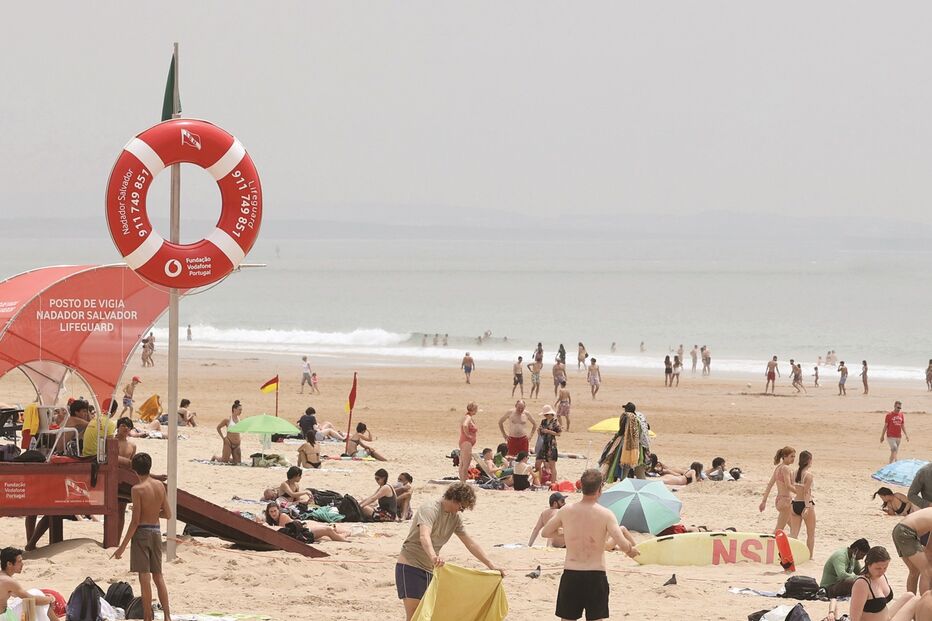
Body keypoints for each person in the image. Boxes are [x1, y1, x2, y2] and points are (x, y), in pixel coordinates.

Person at [395, 483, 503, 621]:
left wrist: (491, 565)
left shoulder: (455, 518)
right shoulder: (430, 509)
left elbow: (470, 543)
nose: (461, 510)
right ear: (455, 499)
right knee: (415, 614)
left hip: (431, 569)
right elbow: (424, 535)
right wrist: (434, 556)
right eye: (462, 507)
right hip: (410, 566)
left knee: (428, 614)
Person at [541, 469, 638, 621]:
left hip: (571, 573)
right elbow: (621, 541)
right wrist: (631, 550)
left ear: (582, 487)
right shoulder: (606, 514)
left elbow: (545, 532)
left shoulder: (566, 511)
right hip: (595, 574)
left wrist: (565, 535)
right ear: (599, 489)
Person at [112, 453, 171, 621]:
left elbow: (135, 521)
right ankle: (167, 615)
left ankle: (147, 616)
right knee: (158, 576)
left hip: (142, 533)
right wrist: (152, 513)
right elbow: (168, 514)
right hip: (156, 532)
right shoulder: (160, 485)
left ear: (134, 470)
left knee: (144, 577)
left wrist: (122, 546)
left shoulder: (137, 489)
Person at [848, 546, 919, 621]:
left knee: (910, 595)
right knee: (917, 599)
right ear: (868, 564)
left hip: (886, 617)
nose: (882, 571)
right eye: (878, 568)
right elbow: (854, 618)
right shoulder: (862, 583)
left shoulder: (881, 576)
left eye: (885, 568)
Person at [1, 547, 58, 621]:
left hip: (4, 614)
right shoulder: (8, 581)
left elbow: (14, 594)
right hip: (4, 617)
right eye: (19, 561)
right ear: (9, 564)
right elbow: (32, 600)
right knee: (36, 594)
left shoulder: (3, 577)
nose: (22, 564)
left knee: (36, 597)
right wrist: (50, 599)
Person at [892, 507, 932, 595]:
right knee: (927, 571)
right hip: (907, 532)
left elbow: (929, 548)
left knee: (914, 571)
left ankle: (910, 599)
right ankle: (926, 601)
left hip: (899, 530)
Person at [263, 503, 350, 542]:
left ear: (278, 510)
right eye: (271, 512)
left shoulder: (282, 517)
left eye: (275, 511)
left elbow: (282, 532)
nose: (273, 513)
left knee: (327, 530)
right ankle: (343, 536)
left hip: (303, 528)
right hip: (301, 530)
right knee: (324, 535)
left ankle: (344, 538)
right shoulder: (272, 521)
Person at [760, 446, 796, 533]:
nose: (793, 459)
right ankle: (769, 544)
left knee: (794, 528)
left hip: (779, 501)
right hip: (786, 501)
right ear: (785, 456)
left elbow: (770, 485)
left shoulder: (778, 468)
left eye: (794, 456)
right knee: (778, 530)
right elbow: (788, 485)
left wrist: (764, 501)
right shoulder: (785, 468)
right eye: (791, 456)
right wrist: (801, 493)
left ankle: (791, 545)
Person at [789, 450, 816, 557]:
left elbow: (795, 489)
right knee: (810, 534)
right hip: (805, 504)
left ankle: (791, 555)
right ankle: (809, 556)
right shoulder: (808, 475)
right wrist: (807, 507)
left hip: (795, 503)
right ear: (809, 460)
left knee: (794, 534)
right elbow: (806, 493)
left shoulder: (793, 473)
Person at [536, 405, 562, 483]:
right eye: (545, 414)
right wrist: (539, 431)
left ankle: (553, 483)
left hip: (551, 444)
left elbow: (559, 433)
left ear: (551, 414)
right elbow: (540, 431)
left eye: (547, 414)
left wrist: (548, 431)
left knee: (552, 465)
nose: (545, 416)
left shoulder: (555, 422)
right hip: (543, 443)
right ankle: (539, 481)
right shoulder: (543, 421)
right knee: (538, 463)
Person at [213, 400, 242, 464]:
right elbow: (218, 428)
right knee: (224, 461)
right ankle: (215, 457)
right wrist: (223, 438)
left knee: (238, 462)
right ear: (234, 409)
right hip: (228, 442)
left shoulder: (240, 420)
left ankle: (228, 458)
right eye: (239, 410)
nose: (241, 411)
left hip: (237, 444)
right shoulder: (227, 419)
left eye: (241, 410)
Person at [458, 402, 479, 482]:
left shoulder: (467, 416)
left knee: (463, 463)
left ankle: (462, 482)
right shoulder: (468, 418)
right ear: (473, 409)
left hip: (465, 442)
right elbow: (465, 425)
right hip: (466, 442)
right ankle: (463, 482)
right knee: (466, 464)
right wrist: (468, 435)